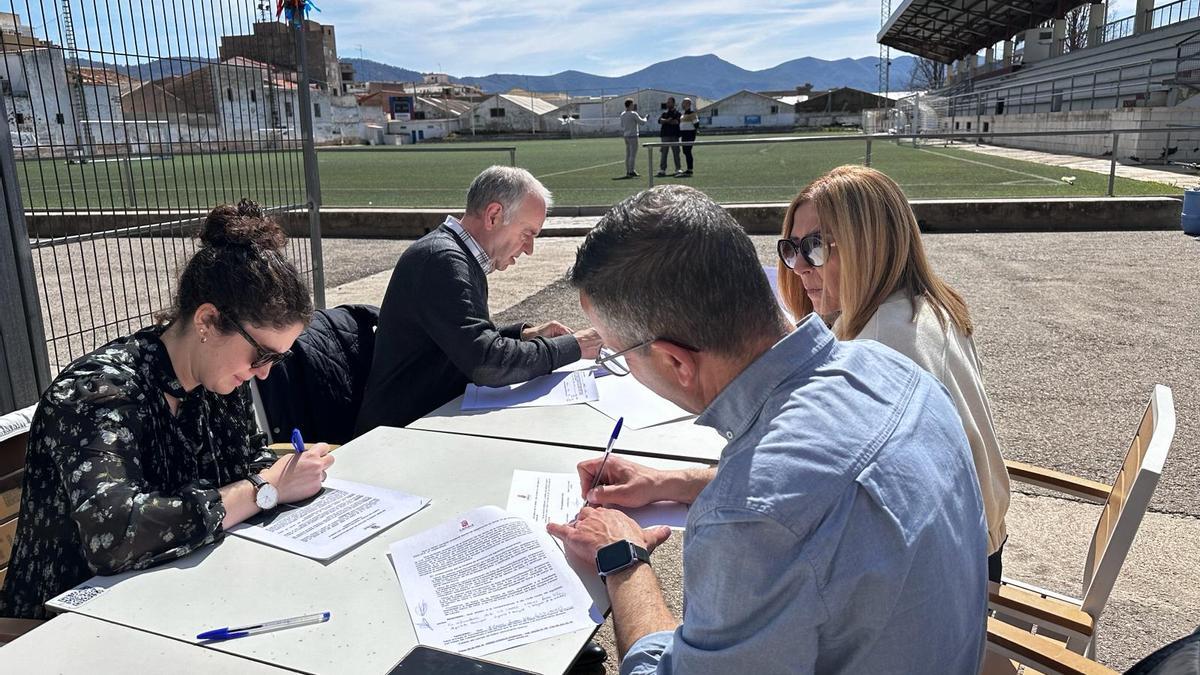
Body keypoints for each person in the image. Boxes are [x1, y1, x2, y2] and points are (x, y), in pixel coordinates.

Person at [547, 185, 988, 673]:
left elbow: (782, 509)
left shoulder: (747, 523)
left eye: (619, 352)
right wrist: (666, 481)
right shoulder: (895, 369)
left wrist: (622, 559)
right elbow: (821, 490)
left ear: (676, 360)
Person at [0, 200, 334, 620]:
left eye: (276, 360)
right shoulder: (97, 393)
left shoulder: (220, 379)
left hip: (175, 596)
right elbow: (115, 535)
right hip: (64, 622)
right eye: (261, 354)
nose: (263, 374)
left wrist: (284, 478)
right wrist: (265, 491)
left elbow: (249, 463)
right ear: (208, 322)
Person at [776, 164, 1011, 582]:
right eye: (791, 248)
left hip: (947, 573)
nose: (798, 267)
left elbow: (812, 484)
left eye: (814, 246)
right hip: (975, 540)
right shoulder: (922, 305)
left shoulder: (880, 344)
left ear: (869, 245)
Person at [356, 166, 602, 434]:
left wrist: (525, 335)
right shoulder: (443, 260)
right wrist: (573, 346)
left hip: (421, 420)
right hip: (397, 435)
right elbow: (487, 364)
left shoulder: (448, 253)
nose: (529, 249)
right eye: (527, 234)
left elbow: (461, 339)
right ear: (494, 215)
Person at [620, 98, 648, 178]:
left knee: (628, 154)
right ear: (630, 105)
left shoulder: (622, 114)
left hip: (626, 136)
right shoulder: (633, 114)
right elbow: (642, 122)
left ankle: (628, 170)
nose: (633, 106)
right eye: (632, 104)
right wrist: (646, 118)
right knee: (632, 155)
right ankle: (631, 171)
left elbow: (622, 125)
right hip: (633, 136)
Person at [655, 97, 681, 177]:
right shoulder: (664, 113)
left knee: (676, 153)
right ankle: (662, 170)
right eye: (667, 102)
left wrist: (666, 121)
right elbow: (659, 121)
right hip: (665, 136)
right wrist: (668, 120)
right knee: (664, 153)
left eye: (669, 102)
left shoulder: (677, 113)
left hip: (674, 135)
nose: (667, 103)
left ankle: (678, 169)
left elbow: (676, 122)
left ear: (673, 103)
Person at [676, 98, 698, 177]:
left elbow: (696, 124)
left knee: (687, 151)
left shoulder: (692, 113)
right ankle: (689, 169)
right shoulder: (683, 114)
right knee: (685, 151)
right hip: (684, 134)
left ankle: (690, 170)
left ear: (688, 104)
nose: (682, 104)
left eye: (683, 103)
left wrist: (693, 133)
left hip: (689, 134)